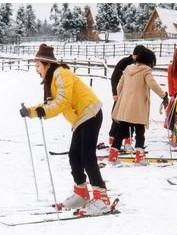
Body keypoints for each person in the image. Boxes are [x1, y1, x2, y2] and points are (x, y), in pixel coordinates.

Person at [20, 44, 110, 216]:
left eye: (38, 66)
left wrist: (42, 111)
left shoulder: (62, 73)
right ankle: (81, 193)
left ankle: (102, 199)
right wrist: (31, 111)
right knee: (74, 155)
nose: (36, 70)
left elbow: (63, 101)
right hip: (80, 119)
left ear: (47, 64)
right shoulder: (51, 79)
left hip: (90, 112)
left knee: (86, 156)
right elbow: (49, 105)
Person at [109, 47, 168, 164]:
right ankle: (140, 157)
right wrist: (163, 95)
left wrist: (123, 97)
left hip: (126, 106)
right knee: (140, 131)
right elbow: (152, 84)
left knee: (121, 131)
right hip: (139, 107)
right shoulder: (146, 71)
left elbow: (119, 86)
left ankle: (113, 156)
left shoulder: (127, 69)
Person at [109, 45, 145, 150]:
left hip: (132, 96)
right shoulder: (124, 62)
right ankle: (113, 138)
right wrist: (115, 93)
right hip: (121, 95)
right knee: (117, 118)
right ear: (135, 55)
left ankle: (128, 140)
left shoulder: (140, 65)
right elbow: (114, 77)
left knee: (131, 119)